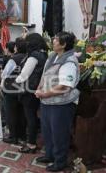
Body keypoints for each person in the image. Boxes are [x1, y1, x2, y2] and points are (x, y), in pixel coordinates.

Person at [35, 32, 80, 172]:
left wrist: (45, 93)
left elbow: (65, 86)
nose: (53, 41)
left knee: (59, 133)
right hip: (47, 102)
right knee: (47, 132)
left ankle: (60, 161)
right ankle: (49, 155)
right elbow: (45, 74)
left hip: (62, 104)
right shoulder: (53, 57)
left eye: (56, 40)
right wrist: (39, 88)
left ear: (64, 44)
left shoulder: (69, 61)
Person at [15, 33, 48, 153]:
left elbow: (24, 75)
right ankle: (33, 142)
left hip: (29, 91)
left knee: (30, 118)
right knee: (33, 117)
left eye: (27, 42)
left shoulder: (34, 56)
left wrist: (15, 80)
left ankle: (31, 144)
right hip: (37, 89)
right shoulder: (44, 54)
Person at [1, 38, 27, 144]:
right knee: (21, 113)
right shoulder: (28, 57)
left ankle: (13, 136)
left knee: (11, 113)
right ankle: (22, 135)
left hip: (11, 89)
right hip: (24, 88)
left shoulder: (14, 59)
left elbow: (5, 74)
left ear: (17, 47)